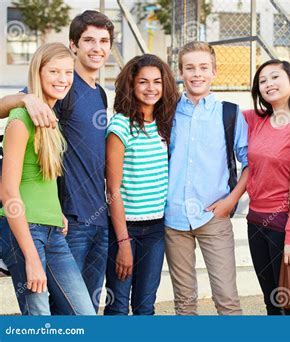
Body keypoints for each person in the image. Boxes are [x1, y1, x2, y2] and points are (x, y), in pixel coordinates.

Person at [0, 10, 114, 313]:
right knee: (43, 316)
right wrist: (25, 99)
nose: (63, 79)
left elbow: (51, 169)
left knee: (84, 314)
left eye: (104, 40)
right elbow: (9, 192)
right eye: (88, 39)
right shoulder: (31, 110)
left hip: (64, 222)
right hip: (42, 225)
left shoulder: (98, 94)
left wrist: (55, 211)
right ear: (74, 44)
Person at [164, 41, 248, 315]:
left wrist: (230, 201)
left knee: (226, 299)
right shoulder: (167, 112)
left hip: (215, 217)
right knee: (184, 302)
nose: (196, 74)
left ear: (214, 71)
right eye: (190, 68)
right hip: (174, 218)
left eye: (203, 67)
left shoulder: (229, 113)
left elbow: (250, 164)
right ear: (181, 72)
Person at [104, 54, 179, 315]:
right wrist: (123, 241)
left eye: (157, 81)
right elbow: (112, 190)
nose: (151, 88)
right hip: (125, 230)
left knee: (146, 305)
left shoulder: (165, 124)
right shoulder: (120, 126)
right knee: (118, 305)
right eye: (143, 82)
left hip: (156, 229)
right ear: (131, 85)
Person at [243, 59, 290, 315]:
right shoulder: (255, 120)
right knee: (271, 303)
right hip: (255, 223)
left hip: (283, 227)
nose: (268, 84)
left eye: (275, 77)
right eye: (262, 81)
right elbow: (217, 116)